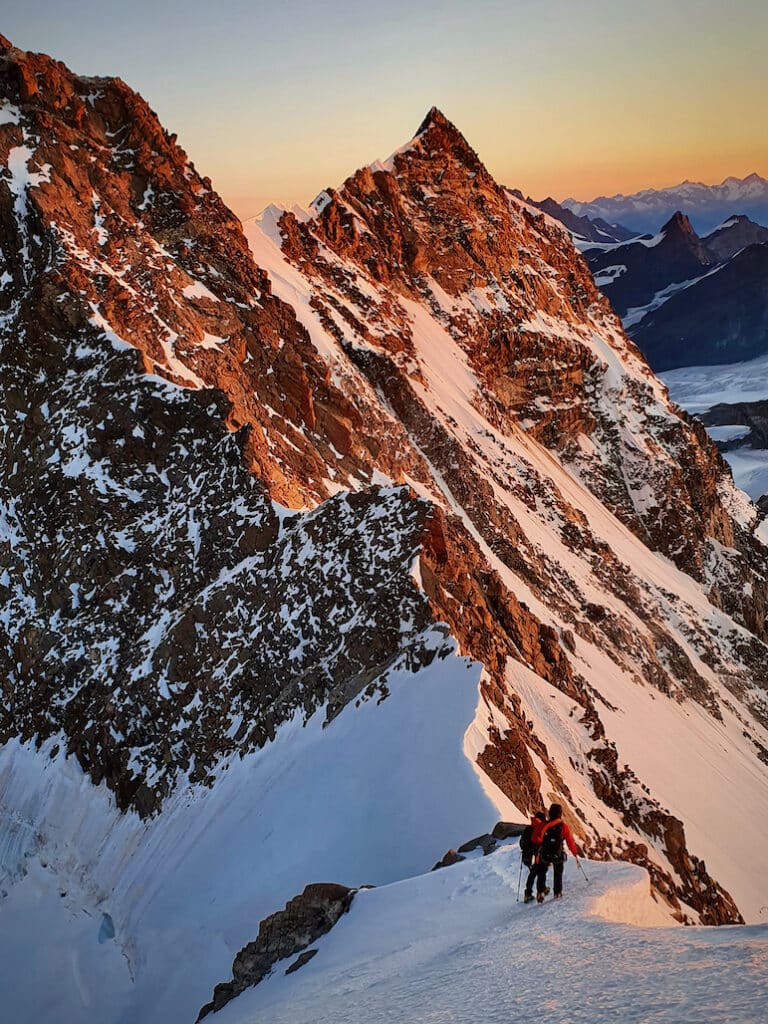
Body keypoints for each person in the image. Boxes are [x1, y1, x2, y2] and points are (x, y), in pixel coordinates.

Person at [534, 802, 579, 902]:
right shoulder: (563, 826)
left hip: (545, 854)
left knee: (541, 871)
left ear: (550, 813)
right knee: (558, 873)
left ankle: (540, 892)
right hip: (558, 855)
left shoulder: (544, 825)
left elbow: (536, 838)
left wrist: (540, 847)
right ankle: (557, 893)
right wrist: (575, 853)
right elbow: (570, 841)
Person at [520, 811, 547, 903]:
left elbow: (522, 843)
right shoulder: (540, 828)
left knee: (532, 874)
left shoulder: (528, 828)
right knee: (541, 872)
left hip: (527, 855)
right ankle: (541, 891)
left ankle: (528, 894)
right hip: (536, 855)